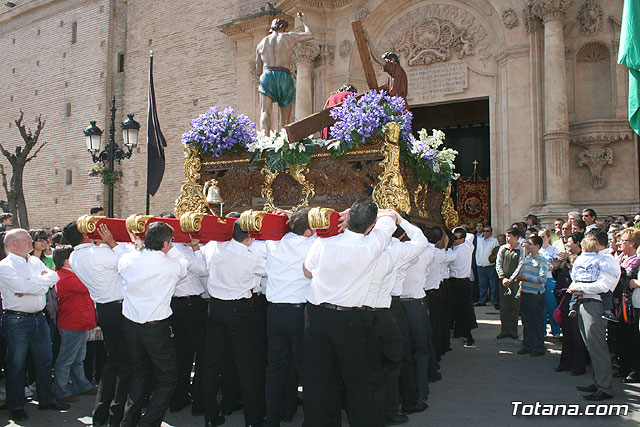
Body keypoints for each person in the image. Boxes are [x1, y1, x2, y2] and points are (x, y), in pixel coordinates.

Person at [302, 199, 400, 427]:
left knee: (318, 379)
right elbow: (392, 215)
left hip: (316, 316)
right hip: (348, 319)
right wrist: (357, 215)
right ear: (370, 227)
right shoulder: (372, 243)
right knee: (357, 381)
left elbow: (307, 272)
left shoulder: (323, 241)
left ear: (348, 219)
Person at [63, 221, 133, 427]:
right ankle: (116, 414)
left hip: (103, 309)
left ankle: (101, 413)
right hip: (118, 309)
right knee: (125, 363)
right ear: (85, 234)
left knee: (113, 362)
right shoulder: (99, 253)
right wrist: (111, 242)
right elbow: (128, 262)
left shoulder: (75, 255)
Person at [118, 222, 188, 426]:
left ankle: (129, 421)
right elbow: (183, 266)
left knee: (139, 373)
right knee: (167, 378)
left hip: (131, 324)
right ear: (166, 243)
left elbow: (127, 260)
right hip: (155, 327)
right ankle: (149, 422)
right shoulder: (172, 265)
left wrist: (138, 247)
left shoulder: (128, 259)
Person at [202, 221, 268, 427]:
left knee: (212, 364)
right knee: (247, 365)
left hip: (216, 309)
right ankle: (253, 419)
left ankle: (210, 415)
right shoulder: (251, 257)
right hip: (239, 311)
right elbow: (269, 270)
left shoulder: (213, 247)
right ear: (249, 238)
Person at [0, 228, 70, 422]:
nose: (32, 241)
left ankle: (46, 399)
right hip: (17, 320)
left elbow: (53, 277)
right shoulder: (4, 267)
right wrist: (38, 284)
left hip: (39, 317)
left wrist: (33, 284)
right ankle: (16, 406)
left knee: (45, 361)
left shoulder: (35, 261)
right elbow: (23, 287)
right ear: (13, 244)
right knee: (16, 365)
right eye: (27, 239)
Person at [364, 215, 428, 426]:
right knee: (396, 360)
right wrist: (401, 220)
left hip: (362, 310)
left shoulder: (360, 244)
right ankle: (397, 405)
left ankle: (367, 408)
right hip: (389, 307)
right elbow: (421, 241)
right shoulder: (396, 249)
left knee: (369, 362)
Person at [263, 207, 316, 427]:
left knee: (275, 369)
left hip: (274, 312)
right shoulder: (312, 245)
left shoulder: (273, 243)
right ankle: (312, 420)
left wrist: (289, 218)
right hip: (298, 313)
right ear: (307, 231)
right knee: (306, 368)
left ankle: (273, 419)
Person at [569, 230, 620, 401]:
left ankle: (604, 387)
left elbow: (605, 285)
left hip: (596, 304)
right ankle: (598, 382)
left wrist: (581, 288)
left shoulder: (607, 260)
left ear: (596, 243)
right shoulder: (594, 258)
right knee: (591, 346)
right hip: (586, 303)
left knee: (598, 348)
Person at [167, 236, 209, 415]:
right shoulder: (180, 252)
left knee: (181, 353)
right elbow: (203, 269)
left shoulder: (163, 252)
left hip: (175, 305)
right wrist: (196, 248)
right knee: (202, 353)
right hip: (192, 304)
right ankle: (199, 400)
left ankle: (179, 397)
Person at [53, 245, 97, 403]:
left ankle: (82, 386)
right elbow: (89, 285)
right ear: (67, 261)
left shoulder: (69, 274)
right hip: (73, 323)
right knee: (67, 359)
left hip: (79, 322)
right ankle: (62, 391)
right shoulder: (66, 277)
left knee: (78, 358)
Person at [256, 12, 313, 133]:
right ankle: (284, 143)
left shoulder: (261, 44)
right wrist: (304, 21)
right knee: (285, 119)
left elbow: (257, 71)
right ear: (283, 27)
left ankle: (263, 141)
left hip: (267, 75)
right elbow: (310, 34)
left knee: (265, 112)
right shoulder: (289, 37)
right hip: (284, 75)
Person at [566, 235, 618, 320]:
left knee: (575, 295)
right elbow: (606, 268)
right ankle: (608, 311)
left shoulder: (579, 259)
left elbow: (574, 271)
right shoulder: (599, 258)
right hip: (592, 280)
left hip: (580, 280)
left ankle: (572, 308)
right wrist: (614, 272)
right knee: (607, 294)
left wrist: (575, 281)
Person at [515, 236, 549, 357]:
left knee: (537, 321)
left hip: (536, 295)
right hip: (525, 293)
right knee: (526, 320)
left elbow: (542, 279)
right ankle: (527, 345)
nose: (527, 246)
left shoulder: (542, 261)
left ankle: (539, 346)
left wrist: (526, 278)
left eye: (530, 244)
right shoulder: (526, 259)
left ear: (537, 246)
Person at [447, 227, 476, 346]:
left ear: (462, 239)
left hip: (457, 282)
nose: (454, 240)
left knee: (457, 310)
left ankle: (465, 334)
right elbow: (471, 235)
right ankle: (462, 333)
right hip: (465, 282)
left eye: (456, 238)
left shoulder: (455, 252)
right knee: (464, 309)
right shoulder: (469, 246)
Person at [495, 227, 525, 339]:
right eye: (507, 236)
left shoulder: (521, 249)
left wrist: (512, 278)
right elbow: (498, 263)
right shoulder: (503, 249)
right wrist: (502, 277)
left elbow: (520, 265)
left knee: (514, 306)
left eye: (510, 236)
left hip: (515, 282)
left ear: (516, 237)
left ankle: (513, 330)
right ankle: (504, 329)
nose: (507, 239)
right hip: (504, 282)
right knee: (504, 306)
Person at [538, 228, 561, 336]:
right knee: (541, 307)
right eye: (540, 237)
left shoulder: (553, 250)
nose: (541, 239)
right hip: (539, 280)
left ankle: (556, 330)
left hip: (549, 279)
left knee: (552, 306)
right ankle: (542, 330)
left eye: (543, 237)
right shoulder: (537, 250)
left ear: (548, 237)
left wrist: (550, 266)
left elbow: (556, 265)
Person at [475, 225, 499, 308]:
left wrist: (491, 262)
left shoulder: (494, 241)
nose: (485, 233)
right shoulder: (480, 241)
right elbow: (477, 252)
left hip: (490, 266)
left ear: (491, 232)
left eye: (488, 231)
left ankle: (495, 301)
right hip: (481, 265)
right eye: (484, 231)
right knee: (482, 285)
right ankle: (482, 300)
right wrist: (478, 261)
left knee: (493, 285)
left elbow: (495, 252)